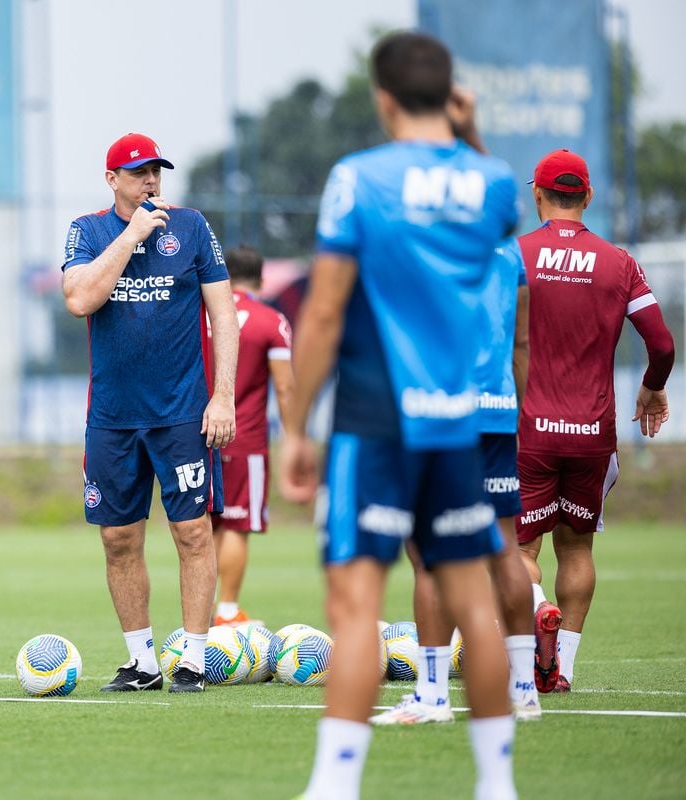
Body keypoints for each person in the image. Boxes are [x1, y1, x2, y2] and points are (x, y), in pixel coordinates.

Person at [280, 33, 520, 799]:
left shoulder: (359, 180)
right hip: (454, 424)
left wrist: (295, 428)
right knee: (473, 604)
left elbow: (321, 315)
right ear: (452, 97)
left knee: (356, 608)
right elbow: (499, 212)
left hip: (374, 423)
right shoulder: (492, 180)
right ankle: (495, 783)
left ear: (384, 99)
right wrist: (469, 131)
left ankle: (335, 785)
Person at [372, 88, 541, 725]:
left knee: (428, 555)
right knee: (502, 546)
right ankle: (523, 690)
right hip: (497, 409)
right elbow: (522, 340)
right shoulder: (505, 246)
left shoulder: (423, 233)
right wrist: (517, 410)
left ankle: (435, 694)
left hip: (437, 410)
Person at [61, 133, 239, 693]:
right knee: (118, 538)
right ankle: (142, 662)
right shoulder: (88, 231)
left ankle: (193, 657)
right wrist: (133, 235)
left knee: (192, 530)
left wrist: (224, 394)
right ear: (112, 180)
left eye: (156, 172)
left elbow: (225, 314)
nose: (151, 182)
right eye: (138, 174)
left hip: (182, 411)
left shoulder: (190, 227)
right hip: (113, 417)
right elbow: (79, 299)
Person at [515, 148, 675, 693]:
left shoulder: (513, 256)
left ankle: (536, 613)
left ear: (536, 194)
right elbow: (662, 342)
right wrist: (652, 389)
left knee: (518, 552)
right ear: (587, 196)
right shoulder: (620, 263)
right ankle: (562, 671)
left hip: (527, 431)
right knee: (577, 549)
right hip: (592, 432)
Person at [208, 245, 294, 627]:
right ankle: (227, 610)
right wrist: (294, 437)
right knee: (237, 525)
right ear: (261, 279)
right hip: (246, 441)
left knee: (205, 525)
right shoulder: (270, 321)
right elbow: (287, 389)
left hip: (200, 435)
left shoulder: (203, 317)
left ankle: (201, 612)